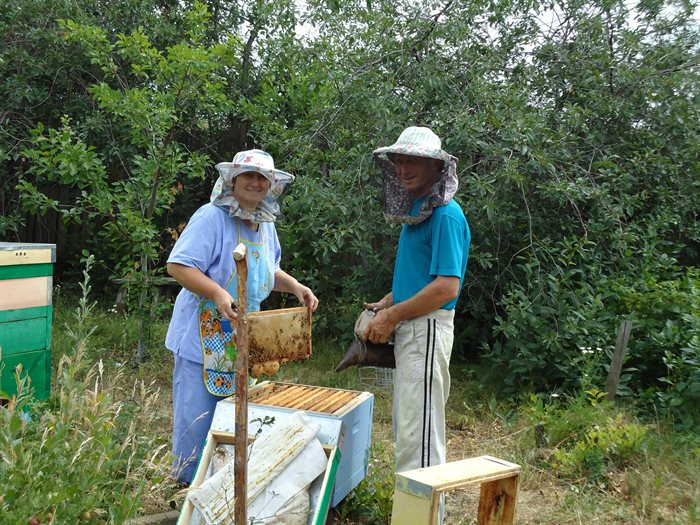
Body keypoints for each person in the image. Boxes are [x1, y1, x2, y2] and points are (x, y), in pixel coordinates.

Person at [165, 149, 319, 484]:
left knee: (234, 417)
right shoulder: (211, 217)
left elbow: (268, 270)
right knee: (198, 419)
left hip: (244, 336)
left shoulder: (264, 224)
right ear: (232, 180)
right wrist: (219, 293)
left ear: (270, 185)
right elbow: (179, 265)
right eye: (247, 176)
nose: (255, 182)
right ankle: (184, 491)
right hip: (202, 337)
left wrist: (294, 287)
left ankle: (221, 490)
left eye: (262, 177)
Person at [364, 126, 470, 477]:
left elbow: (446, 288)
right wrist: (388, 302)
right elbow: (423, 278)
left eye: (413, 161)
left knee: (420, 440)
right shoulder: (420, 214)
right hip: (413, 327)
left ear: (437, 167)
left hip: (426, 330)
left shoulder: (446, 215)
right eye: (399, 161)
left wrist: (392, 315)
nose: (403, 169)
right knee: (409, 428)